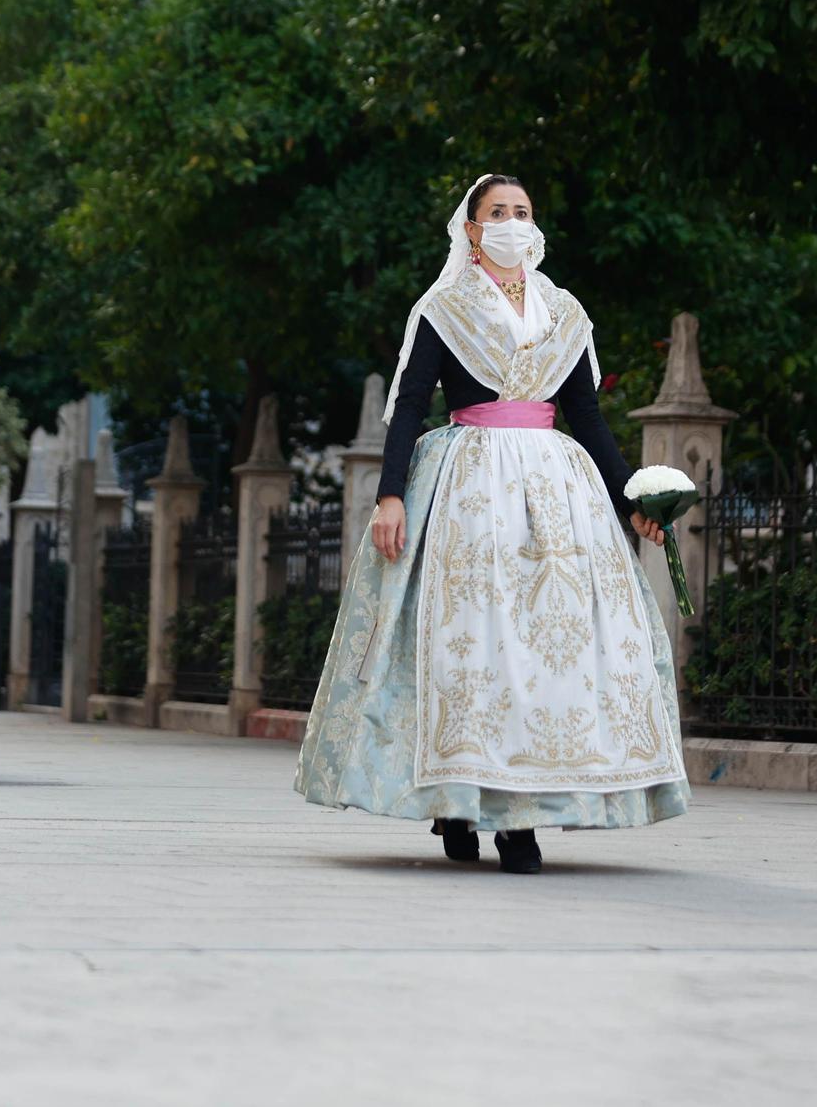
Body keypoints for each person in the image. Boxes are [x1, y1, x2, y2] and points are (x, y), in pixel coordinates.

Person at [294, 174, 689, 873]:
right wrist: (392, 496)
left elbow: (589, 419)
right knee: (474, 651)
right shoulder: (444, 308)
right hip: (469, 493)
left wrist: (631, 499)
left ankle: (520, 820)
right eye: (497, 212)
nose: (511, 221)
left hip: (557, 497)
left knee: (542, 656)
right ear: (472, 231)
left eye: (522, 211)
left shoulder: (564, 313)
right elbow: (410, 406)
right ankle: (459, 800)